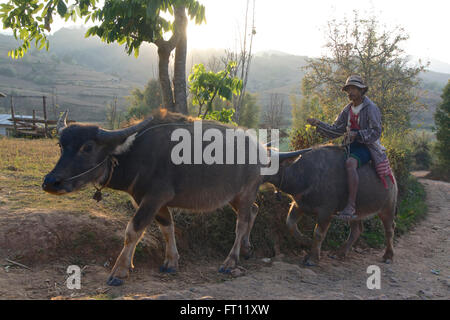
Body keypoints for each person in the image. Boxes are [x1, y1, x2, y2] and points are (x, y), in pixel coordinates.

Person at [307, 75, 394, 220]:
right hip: (349, 146)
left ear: (361, 90)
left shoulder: (371, 108)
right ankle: (331, 201)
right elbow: (336, 130)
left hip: (366, 146)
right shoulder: (347, 109)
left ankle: (351, 206)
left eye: (353, 88)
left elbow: (376, 131)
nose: (350, 92)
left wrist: (357, 134)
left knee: (350, 163)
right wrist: (318, 124)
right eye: (348, 89)